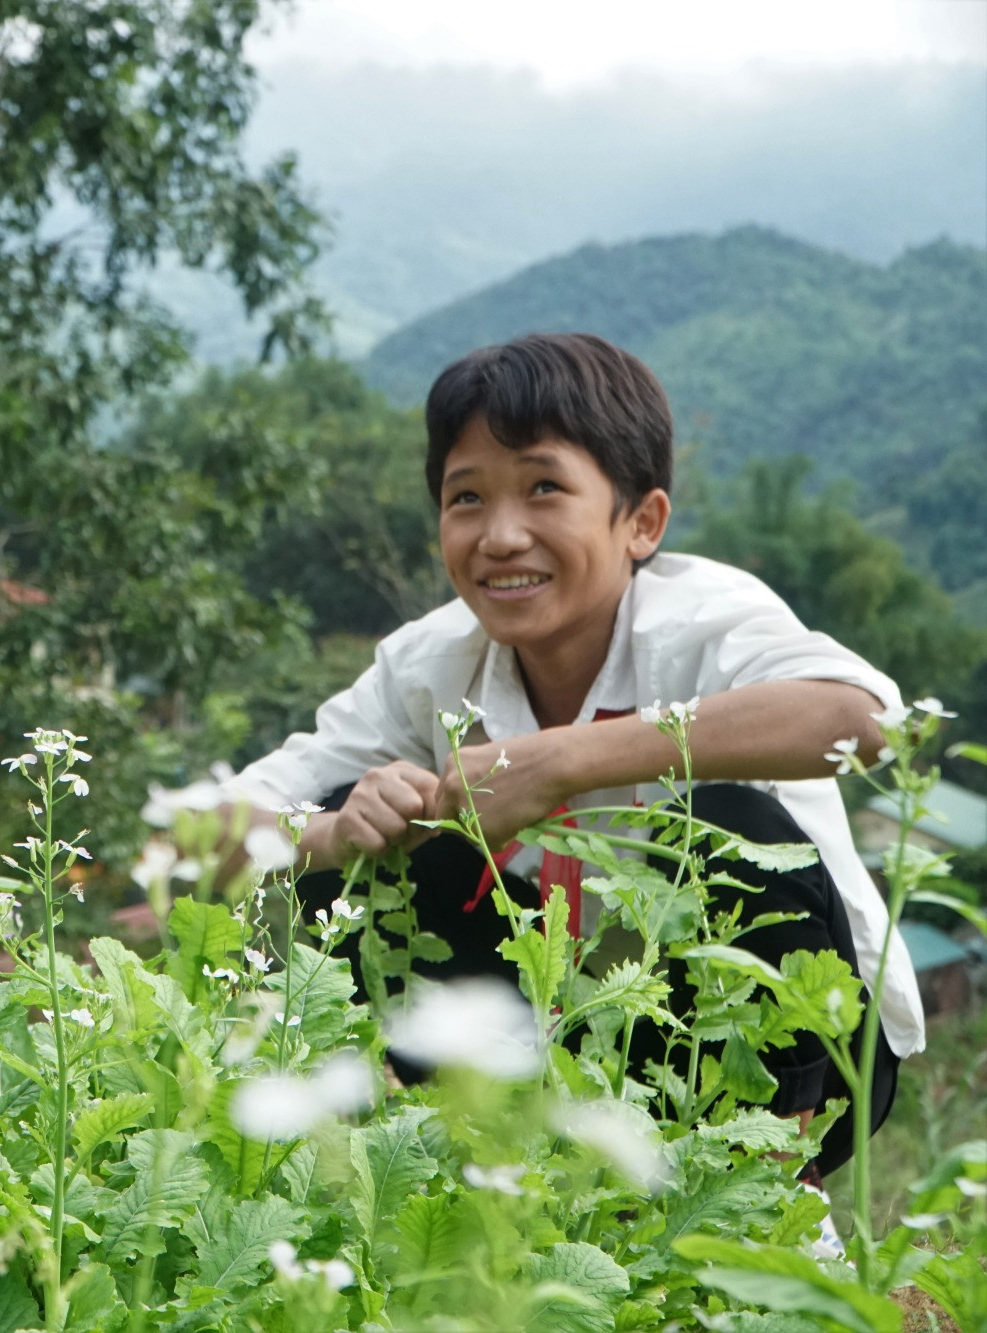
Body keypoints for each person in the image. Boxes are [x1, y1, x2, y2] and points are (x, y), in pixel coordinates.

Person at [221, 332, 921, 1180]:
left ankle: (767, 1197)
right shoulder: (428, 663)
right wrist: (336, 830)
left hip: (804, 1045)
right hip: (562, 1038)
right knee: (348, 832)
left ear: (641, 522)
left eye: (544, 488)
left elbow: (862, 718)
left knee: (735, 825)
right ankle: (442, 1167)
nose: (500, 535)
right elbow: (216, 827)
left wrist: (561, 760)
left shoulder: (701, 620)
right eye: (465, 497)